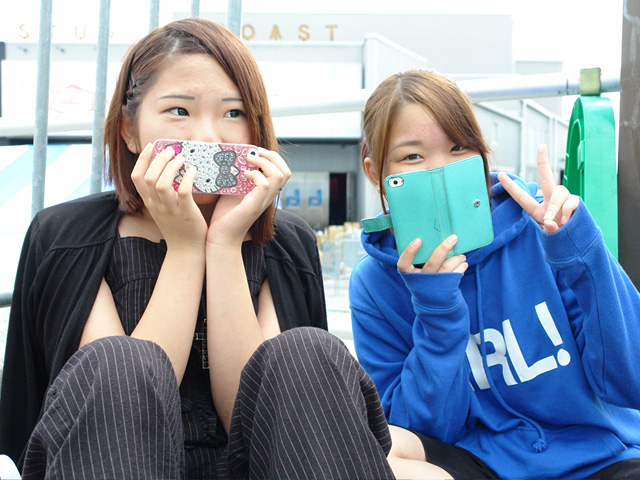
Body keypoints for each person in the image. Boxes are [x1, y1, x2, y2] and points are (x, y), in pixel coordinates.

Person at [0, 18, 453, 480]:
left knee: (307, 352)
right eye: (179, 110)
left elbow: (264, 416)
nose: (208, 138)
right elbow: (117, 406)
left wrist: (223, 244)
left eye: (233, 113)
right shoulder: (70, 237)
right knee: (120, 362)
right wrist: (184, 248)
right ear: (128, 128)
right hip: (114, 463)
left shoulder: (284, 242)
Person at [349, 69, 640, 480]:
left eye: (458, 147)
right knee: (376, 450)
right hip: (479, 462)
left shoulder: (545, 229)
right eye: (412, 157)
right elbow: (417, 432)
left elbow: (629, 383)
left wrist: (583, 255)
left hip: (599, 457)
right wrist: (437, 315)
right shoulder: (373, 283)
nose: (440, 172)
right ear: (375, 170)